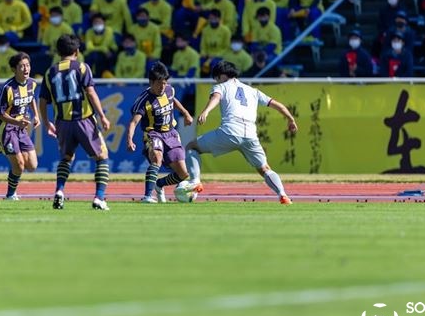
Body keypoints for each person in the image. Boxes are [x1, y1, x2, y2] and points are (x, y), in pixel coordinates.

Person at [184, 61, 298, 205]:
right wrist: (290, 119)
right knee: (264, 168)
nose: (216, 81)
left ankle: (194, 182)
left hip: (229, 131)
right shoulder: (253, 91)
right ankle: (283, 195)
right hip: (250, 134)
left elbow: (216, 98)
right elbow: (277, 105)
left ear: (223, 76)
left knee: (191, 147)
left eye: (217, 78)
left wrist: (206, 111)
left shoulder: (221, 86)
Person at [39, 34, 111, 211]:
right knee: (102, 157)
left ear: (58, 52)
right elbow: (91, 93)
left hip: (62, 122)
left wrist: (47, 122)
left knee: (66, 158)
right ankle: (99, 198)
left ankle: (59, 191)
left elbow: (42, 100)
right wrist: (102, 115)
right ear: (77, 51)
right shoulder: (82, 68)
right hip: (83, 120)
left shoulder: (50, 72)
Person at [127, 62, 194, 203]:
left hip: (171, 133)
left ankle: (159, 185)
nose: (162, 87)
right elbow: (134, 122)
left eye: (164, 83)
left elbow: (173, 101)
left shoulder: (169, 90)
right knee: (156, 159)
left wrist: (186, 113)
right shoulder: (143, 100)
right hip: (153, 134)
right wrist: (130, 140)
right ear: (151, 82)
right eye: (159, 83)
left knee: (183, 174)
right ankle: (147, 196)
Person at [0, 52, 40, 200]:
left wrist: (36, 115)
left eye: (27, 65)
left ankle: (0, 147)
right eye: (21, 66)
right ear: (14, 69)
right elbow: (0, 114)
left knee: (32, 166)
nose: (26, 69)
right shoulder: (7, 88)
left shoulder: (32, 83)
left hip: (21, 129)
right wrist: (16, 122)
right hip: (7, 129)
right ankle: (10, 194)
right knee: (19, 165)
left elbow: (31, 97)